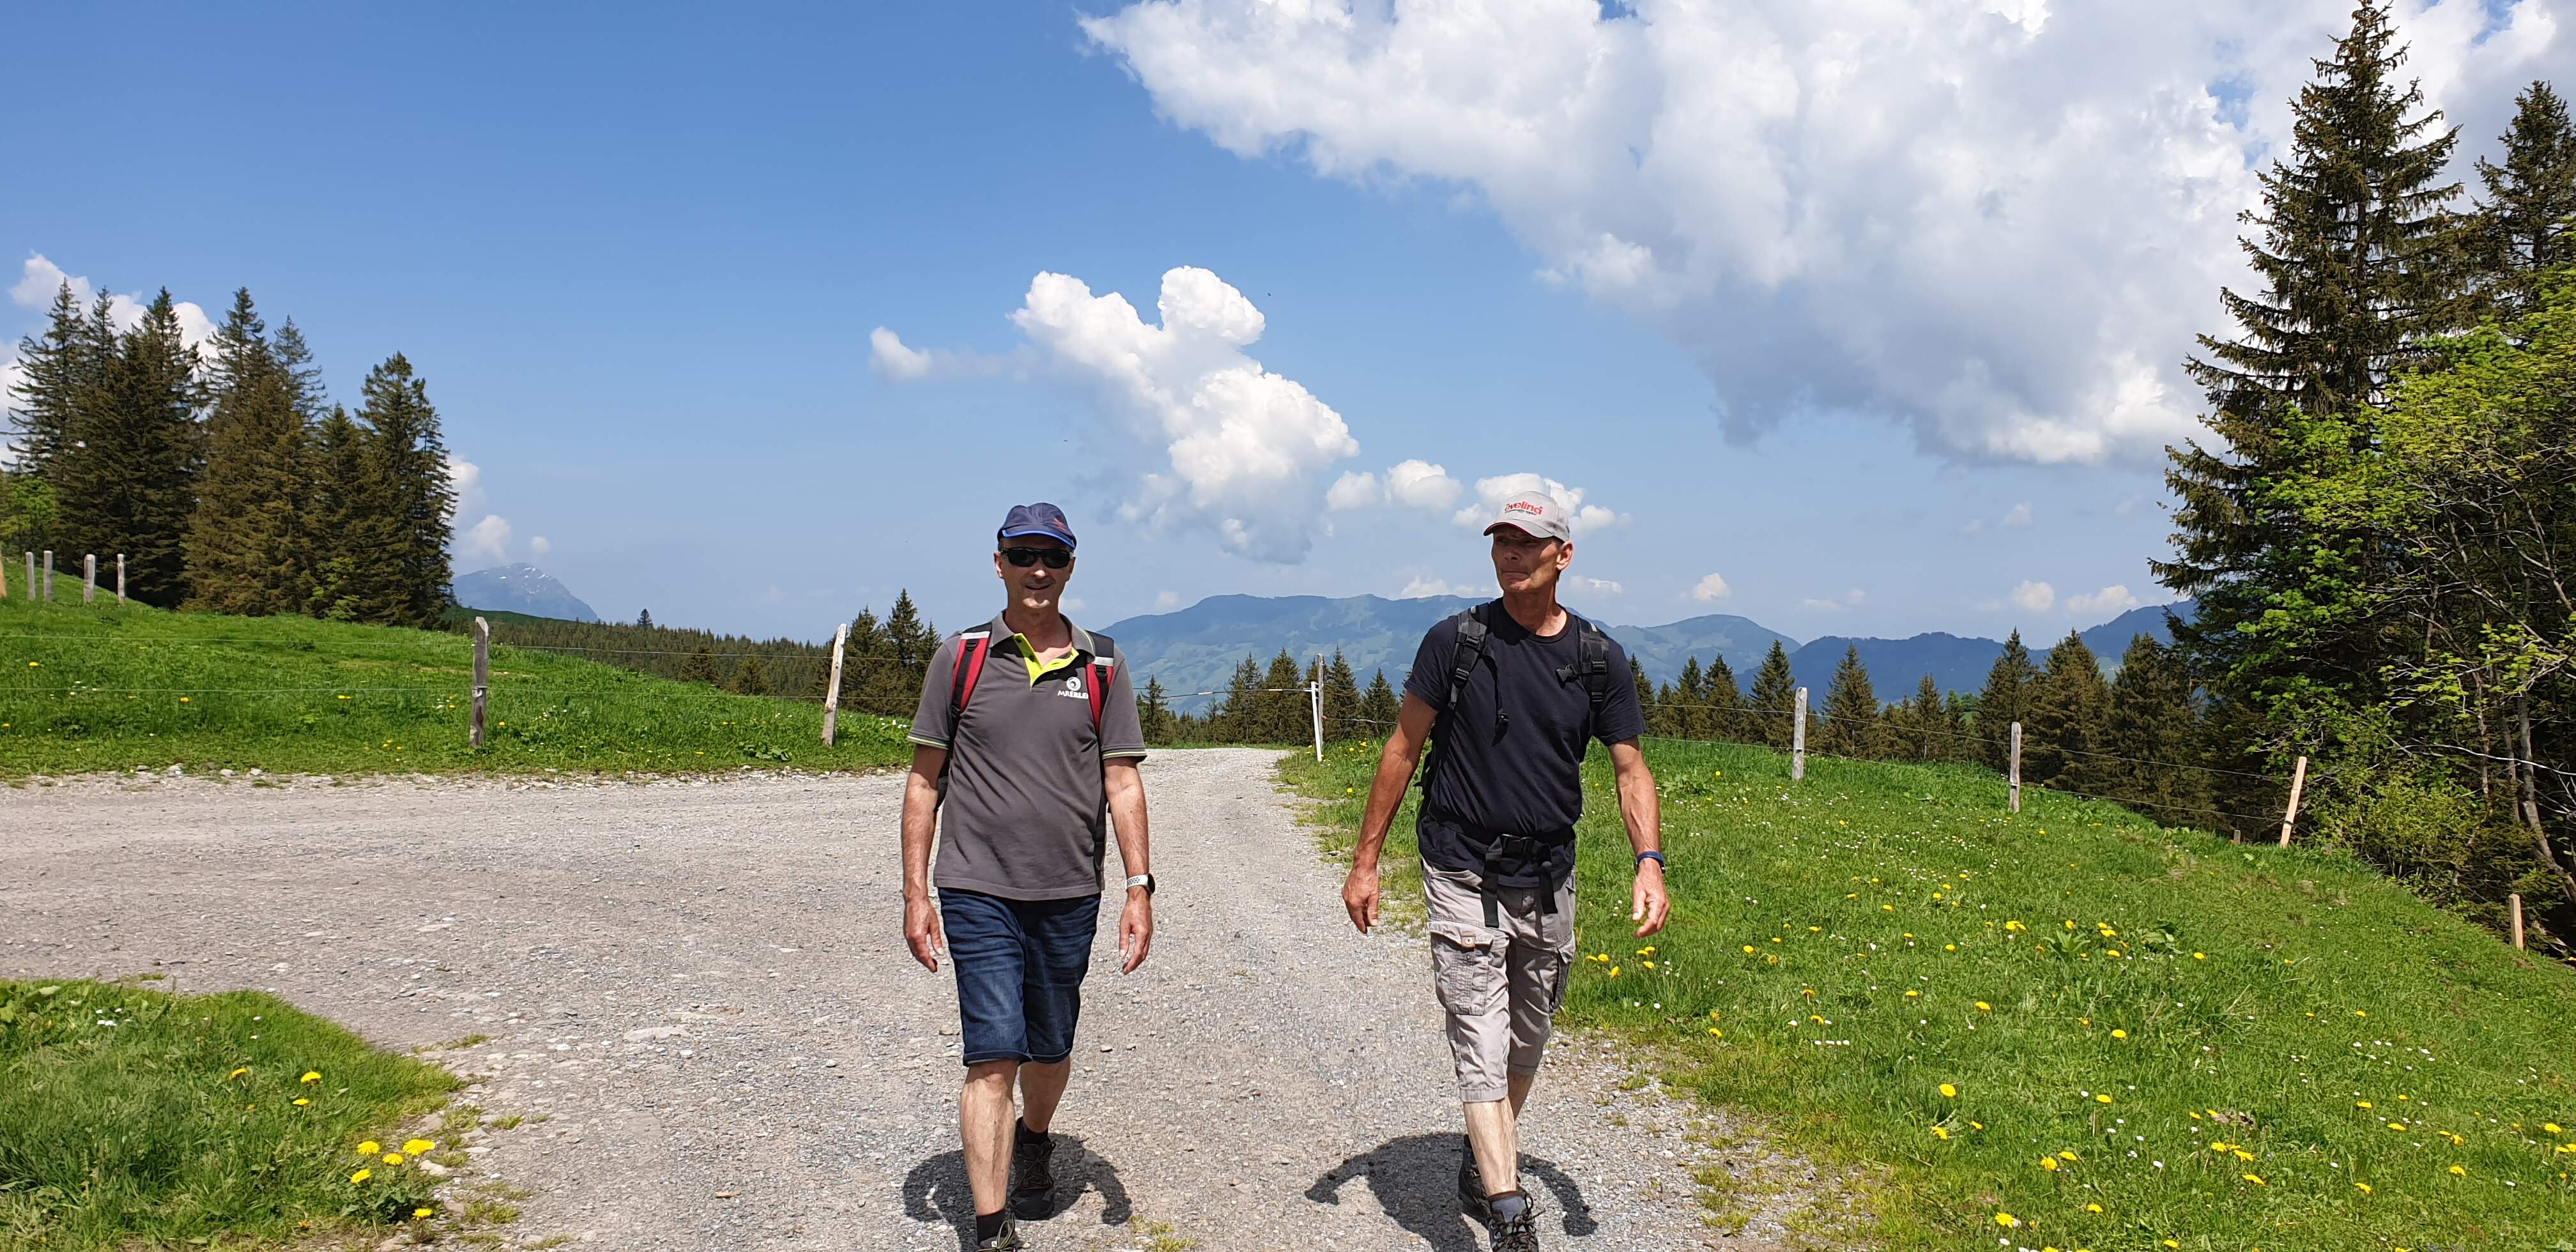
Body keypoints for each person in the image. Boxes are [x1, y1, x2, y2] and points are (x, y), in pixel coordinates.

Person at [1340, 490, 1669, 1252]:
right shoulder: (1455, 642)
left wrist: (1648, 862)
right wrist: (1366, 861)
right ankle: (1510, 1212)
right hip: (1461, 866)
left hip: (1551, 874)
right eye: (1501, 542)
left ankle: (1483, 1155)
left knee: (1528, 1036)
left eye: (1527, 542)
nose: (1511, 555)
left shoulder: (1597, 658)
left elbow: (1631, 768)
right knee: (1478, 1035)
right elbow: (1402, 747)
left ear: (1564, 553)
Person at [901, 503, 1156, 1252]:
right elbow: (924, 783)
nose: (1037, 569)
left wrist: (1140, 887)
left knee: (1049, 1046)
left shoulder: (1103, 662)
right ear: (1000, 563)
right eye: (1023, 555)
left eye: (1052, 556)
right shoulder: (963, 656)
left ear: (1071, 566)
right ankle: (989, 1229)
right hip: (976, 886)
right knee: (994, 1051)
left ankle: (1035, 1136)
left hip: (1070, 890)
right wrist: (917, 893)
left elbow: (1123, 783)